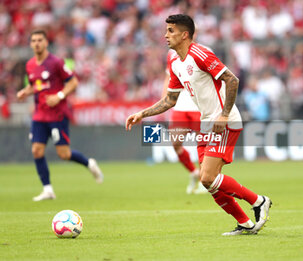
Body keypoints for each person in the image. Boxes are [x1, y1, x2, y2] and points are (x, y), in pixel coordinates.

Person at [126, 14, 272, 235]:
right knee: (208, 183)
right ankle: (245, 223)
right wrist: (142, 114)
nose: (165, 35)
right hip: (207, 123)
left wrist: (223, 115)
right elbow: (170, 100)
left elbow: (232, 79)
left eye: (171, 31)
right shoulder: (175, 62)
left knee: (207, 177)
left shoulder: (200, 54)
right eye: (166, 30)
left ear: (185, 35)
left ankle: (258, 201)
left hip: (224, 121)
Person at [17, 30, 103, 201]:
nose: (36, 43)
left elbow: (73, 82)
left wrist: (59, 96)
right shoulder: (30, 65)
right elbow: (35, 86)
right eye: (33, 40)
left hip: (57, 115)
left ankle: (89, 163)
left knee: (63, 154)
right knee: (36, 150)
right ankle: (48, 189)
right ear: (30, 44)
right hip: (39, 115)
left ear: (46, 42)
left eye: (40, 40)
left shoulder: (56, 62)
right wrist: (24, 92)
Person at [163, 49, 206, 194]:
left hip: (199, 106)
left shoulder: (203, 52)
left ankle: (203, 180)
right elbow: (168, 78)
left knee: (203, 144)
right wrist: (165, 101)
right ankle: (194, 172)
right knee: (175, 143)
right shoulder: (172, 54)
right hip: (180, 106)